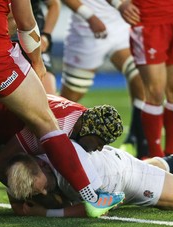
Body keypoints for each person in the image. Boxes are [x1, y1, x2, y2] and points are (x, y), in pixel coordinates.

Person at [6, 145, 173, 217]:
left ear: (41, 164)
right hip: (116, 165)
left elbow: (95, 209)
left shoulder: (73, 175)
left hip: (130, 180)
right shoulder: (38, 157)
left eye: (35, 184)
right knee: (138, 168)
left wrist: (46, 213)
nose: (38, 191)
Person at [111, 0, 173, 158]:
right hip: (147, 23)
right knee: (155, 93)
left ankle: (172, 156)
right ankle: (155, 157)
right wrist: (119, 4)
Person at [60, 0, 148, 158]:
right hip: (87, 29)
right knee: (68, 100)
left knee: (143, 79)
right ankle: (48, 145)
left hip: (120, 23)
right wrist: (89, 16)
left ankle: (136, 140)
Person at [8, 0, 60, 94]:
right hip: (2, 43)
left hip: (34, 40)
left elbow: (54, 4)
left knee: (48, 96)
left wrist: (46, 36)